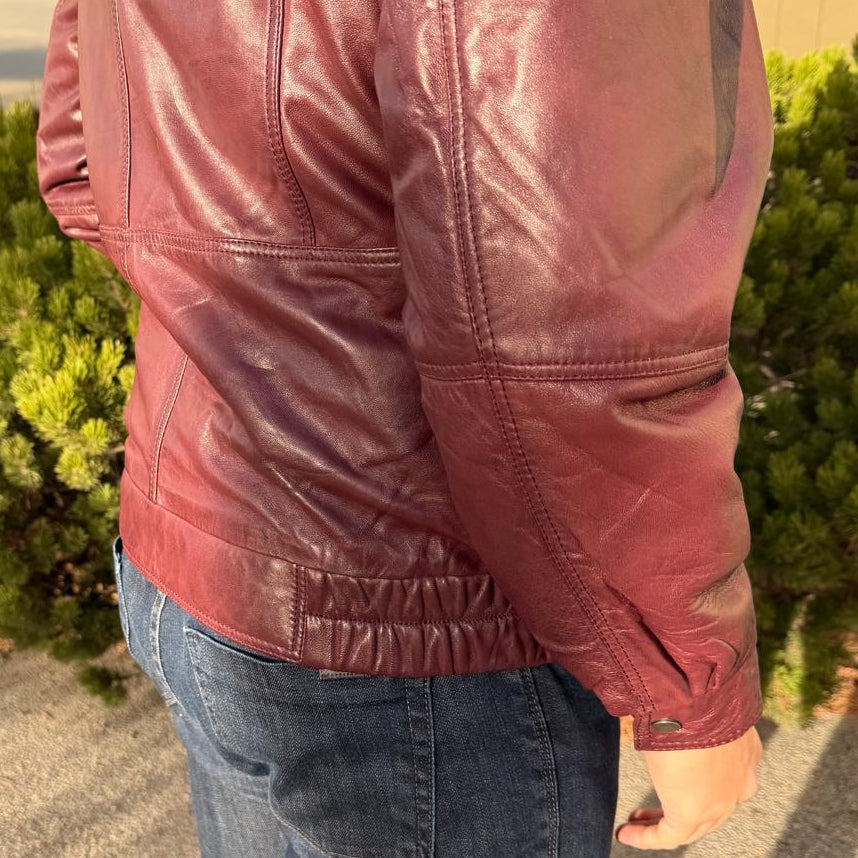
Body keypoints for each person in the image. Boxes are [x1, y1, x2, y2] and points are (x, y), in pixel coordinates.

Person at [36, 0, 772, 854]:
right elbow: (558, 335)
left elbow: (77, 162)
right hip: (415, 633)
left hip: (198, 553)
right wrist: (681, 685)